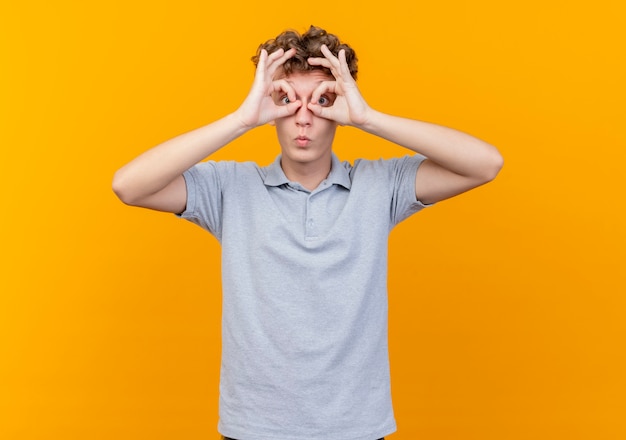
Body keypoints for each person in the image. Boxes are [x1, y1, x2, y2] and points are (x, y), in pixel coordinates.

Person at [112, 25, 503, 440]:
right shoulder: (229, 189)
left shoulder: (379, 186)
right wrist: (241, 120)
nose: (302, 117)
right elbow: (128, 185)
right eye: (286, 101)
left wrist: (368, 118)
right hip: (254, 428)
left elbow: (485, 164)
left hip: (356, 427)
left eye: (321, 101)